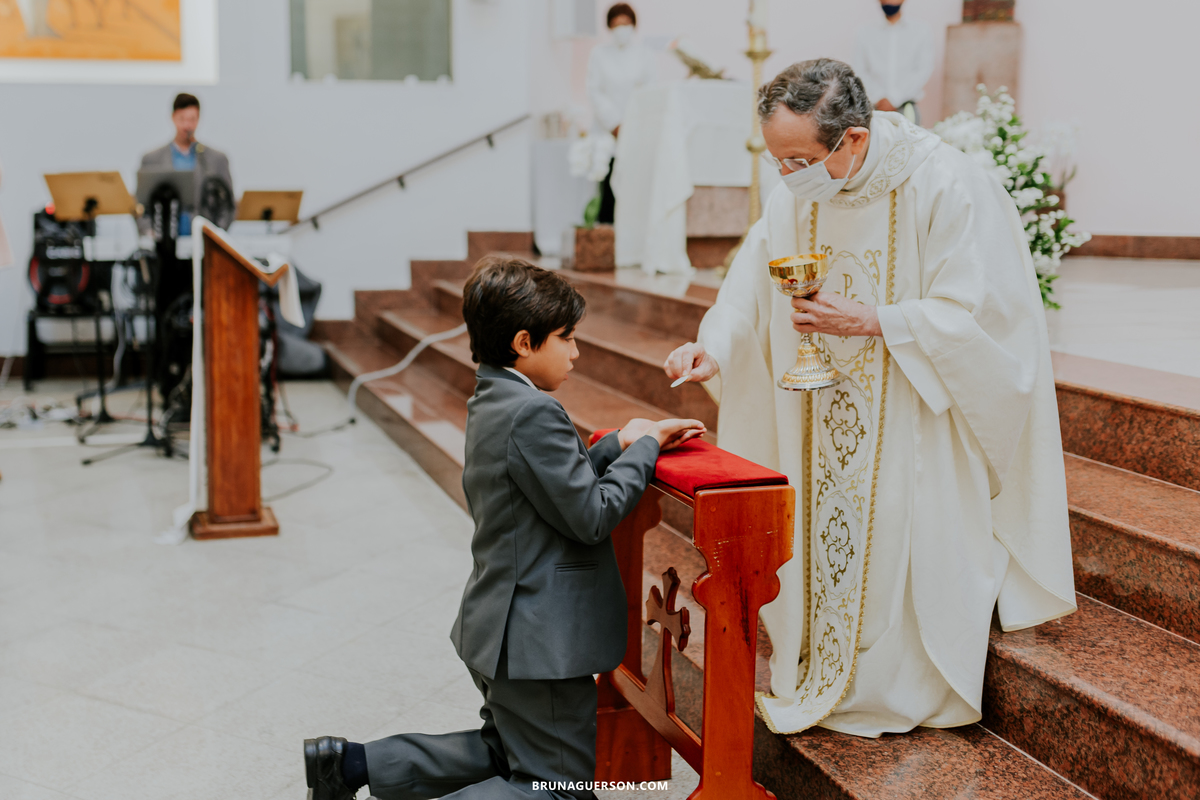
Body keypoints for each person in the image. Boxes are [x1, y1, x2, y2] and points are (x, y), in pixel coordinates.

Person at [663, 59, 1075, 738]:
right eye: (777, 160)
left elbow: (984, 318)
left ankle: (898, 684)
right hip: (816, 415)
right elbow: (748, 286)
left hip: (913, 413)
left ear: (852, 139)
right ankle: (823, 666)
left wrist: (876, 320)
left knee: (894, 543)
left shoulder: (946, 184)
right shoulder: (796, 191)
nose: (786, 176)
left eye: (798, 159)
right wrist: (718, 345)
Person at [304, 257, 705, 800]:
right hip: (540, 642)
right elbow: (591, 515)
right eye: (566, 338)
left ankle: (350, 767)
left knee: (504, 751)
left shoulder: (495, 397)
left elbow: (549, 483)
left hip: (502, 628)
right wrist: (651, 448)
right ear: (523, 341)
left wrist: (619, 443)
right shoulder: (535, 412)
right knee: (554, 787)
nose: (576, 352)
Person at [586, 3, 655, 223]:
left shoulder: (645, 55)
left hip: (637, 129)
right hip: (608, 132)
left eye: (625, 23)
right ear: (609, 27)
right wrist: (615, 124)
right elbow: (594, 91)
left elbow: (649, 92)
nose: (621, 28)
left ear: (633, 25)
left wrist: (632, 124)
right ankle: (606, 232)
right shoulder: (599, 54)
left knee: (635, 186)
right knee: (608, 186)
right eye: (616, 24)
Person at [138, 93, 233, 236]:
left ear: (199, 119)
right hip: (164, 244)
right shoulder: (152, 159)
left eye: (192, 119)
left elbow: (228, 206)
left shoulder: (216, 159)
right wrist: (148, 233)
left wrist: (216, 236)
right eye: (182, 119)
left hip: (204, 243)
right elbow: (141, 205)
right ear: (173, 118)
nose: (187, 126)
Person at [853, 0, 934, 124]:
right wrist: (879, 98)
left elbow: (923, 70)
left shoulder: (921, 31)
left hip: (907, 108)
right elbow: (859, 70)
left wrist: (894, 98)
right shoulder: (864, 32)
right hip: (874, 109)